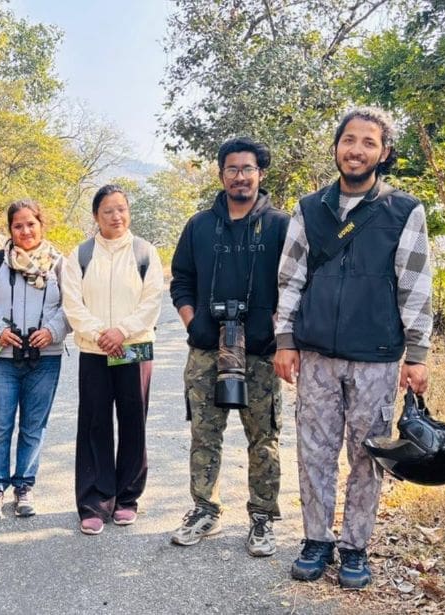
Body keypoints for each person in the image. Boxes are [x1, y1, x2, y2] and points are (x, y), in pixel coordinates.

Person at [275, 107, 433, 589]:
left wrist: (418, 353)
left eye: (369, 142)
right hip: (317, 354)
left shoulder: (404, 211)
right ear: (337, 146)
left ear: (383, 152)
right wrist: (284, 339)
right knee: (313, 452)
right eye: (349, 139)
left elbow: (416, 285)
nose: (357, 149)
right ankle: (317, 540)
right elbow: (290, 277)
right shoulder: (309, 209)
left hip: (378, 357)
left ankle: (355, 547)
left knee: (367, 454)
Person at [169, 138, 289, 555]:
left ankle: (262, 518)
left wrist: (279, 329)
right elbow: (181, 280)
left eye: (248, 168)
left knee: (265, 437)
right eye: (232, 169)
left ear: (261, 173)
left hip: (261, 352)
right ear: (221, 175)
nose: (241, 176)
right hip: (206, 349)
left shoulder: (281, 226)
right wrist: (193, 322)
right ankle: (204, 509)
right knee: (205, 434)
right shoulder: (200, 225)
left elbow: (295, 286)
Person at [61, 184, 164, 535]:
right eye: (108, 210)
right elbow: (72, 304)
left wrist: (121, 331)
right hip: (94, 349)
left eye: (121, 209)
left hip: (134, 347)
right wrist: (100, 334)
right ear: (96, 216)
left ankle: (127, 498)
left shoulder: (145, 253)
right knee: (95, 422)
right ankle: (94, 501)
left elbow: (151, 303)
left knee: (133, 420)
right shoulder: (80, 255)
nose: (116, 216)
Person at [0, 200, 69, 519]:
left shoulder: (59, 264)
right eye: (18, 225)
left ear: (42, 225)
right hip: (2, 355)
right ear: (9, 229)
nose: (25, 231)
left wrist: (52, 331)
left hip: (45, 356)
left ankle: (24, 487)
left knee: (33, 425)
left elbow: (72, 306)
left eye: (31, 224)